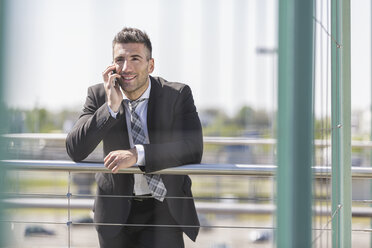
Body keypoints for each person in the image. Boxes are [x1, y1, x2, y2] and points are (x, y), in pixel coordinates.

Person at [66, 27, 203, 248]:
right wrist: (110, 107)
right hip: (115, 211)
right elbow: (75, 149)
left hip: (164, 210)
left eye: (135, 58)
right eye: (119, 59)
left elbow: (193, 147)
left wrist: (137, 155)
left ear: (151, 65)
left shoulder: (177, 95)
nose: (126, 67)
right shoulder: (99, 95)